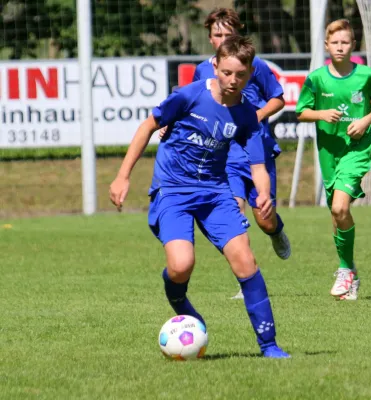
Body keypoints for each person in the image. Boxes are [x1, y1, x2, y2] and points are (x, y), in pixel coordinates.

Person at [109, 36, 290, 358]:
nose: (233, 80)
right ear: (215, 66)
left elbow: (258, 165)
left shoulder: (247, 115)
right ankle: (179, 300)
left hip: (215, 192)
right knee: (181, 266)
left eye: (241, 75)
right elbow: (147, 127)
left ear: (250, 74)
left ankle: (269, 345)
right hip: (173, 191)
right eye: (227, 72)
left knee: (245, 260)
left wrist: (263, 192)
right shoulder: (189, 96)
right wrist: (123, 176)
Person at [165, 8, 291, 300]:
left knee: (265, 218)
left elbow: (278, 99)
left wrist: (255, 117)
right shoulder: (202, 71)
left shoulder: (255, 65)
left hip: (257, 151)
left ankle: (276, 231)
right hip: (225, 154)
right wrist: (171, 127)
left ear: (238, 34)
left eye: (228, 33)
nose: (223, 39)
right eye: (217, 34)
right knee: (233, 213)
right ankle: (246, 280)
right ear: (210, 38)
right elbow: (190, 106)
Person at [295, 19, 371, 300]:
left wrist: (365, 120)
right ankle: (351, 273)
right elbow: (301, 111)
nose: (340, 47)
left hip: (356, 150)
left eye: (345, 42)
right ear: (327, 45)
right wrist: (321, 114)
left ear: (353, 45)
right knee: (337, 215)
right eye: (335, 42)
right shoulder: (316, 79)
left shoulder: (366, 76)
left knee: (339, 207)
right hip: (329, 153)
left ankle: (345, 269)